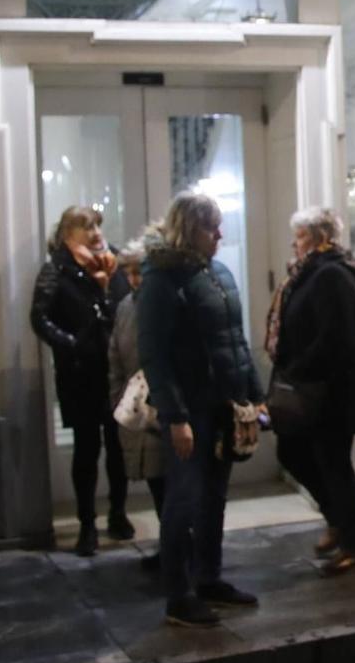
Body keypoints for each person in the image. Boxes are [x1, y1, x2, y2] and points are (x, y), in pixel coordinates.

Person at [138, 197, 266, 626]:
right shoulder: (163, 279)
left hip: (223, 404)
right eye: (212, 228)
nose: (220, 235)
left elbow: (234, 339)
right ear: (190, 229)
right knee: (184, 500)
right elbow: (154, 354)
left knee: (214, 496)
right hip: (191, 408)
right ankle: (179, 593)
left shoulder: (217, 273)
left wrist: (253, 392)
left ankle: (208, 577)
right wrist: (175, 416)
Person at [270, 207, 355, 578]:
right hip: (314, 386)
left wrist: (298, 369)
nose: (294, 243)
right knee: (294, 451)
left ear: (318, 238)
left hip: (331, 390)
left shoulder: (331, 274)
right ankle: (337, 521)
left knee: (334, 464)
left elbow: (338, 339)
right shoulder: (309, 273)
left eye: (299, 236)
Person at [30, 205, 129, 557]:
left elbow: (125, 304)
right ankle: (87, 524)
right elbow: (40, 318)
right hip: (80, 373)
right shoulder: (57, 269)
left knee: (119, 446)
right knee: (87, 448)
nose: (96, 233)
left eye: (97, 226)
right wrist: (72, 345)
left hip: (114, 368)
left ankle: (118, 513)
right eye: (86, 227)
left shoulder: (114, 262)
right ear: (68, 234)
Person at [109, 237, 167, 576]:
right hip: (138, 407)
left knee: (171, 483)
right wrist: (121, 399)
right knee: (158, 484)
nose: (133, 279)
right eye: (128, 273)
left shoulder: (164, 303)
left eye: (139, 271)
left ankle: (180, 550)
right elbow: (115, 356)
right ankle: (171, 547)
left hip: (163, 407)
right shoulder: (126, 307)